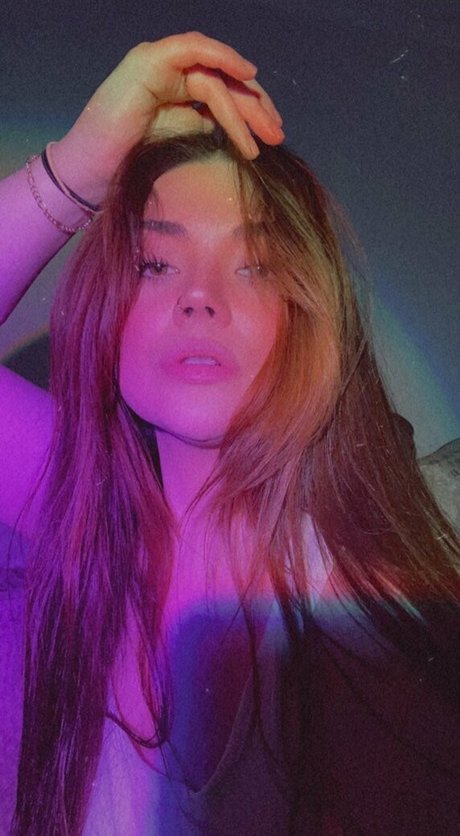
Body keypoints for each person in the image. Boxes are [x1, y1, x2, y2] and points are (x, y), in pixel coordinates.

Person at [0, 32, 458, 836]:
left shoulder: (397, 588)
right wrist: (77, 169)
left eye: (255, 265)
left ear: (305, 312)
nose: (200, 296)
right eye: (155, 263)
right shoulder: (77, 518)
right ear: (109, 310)